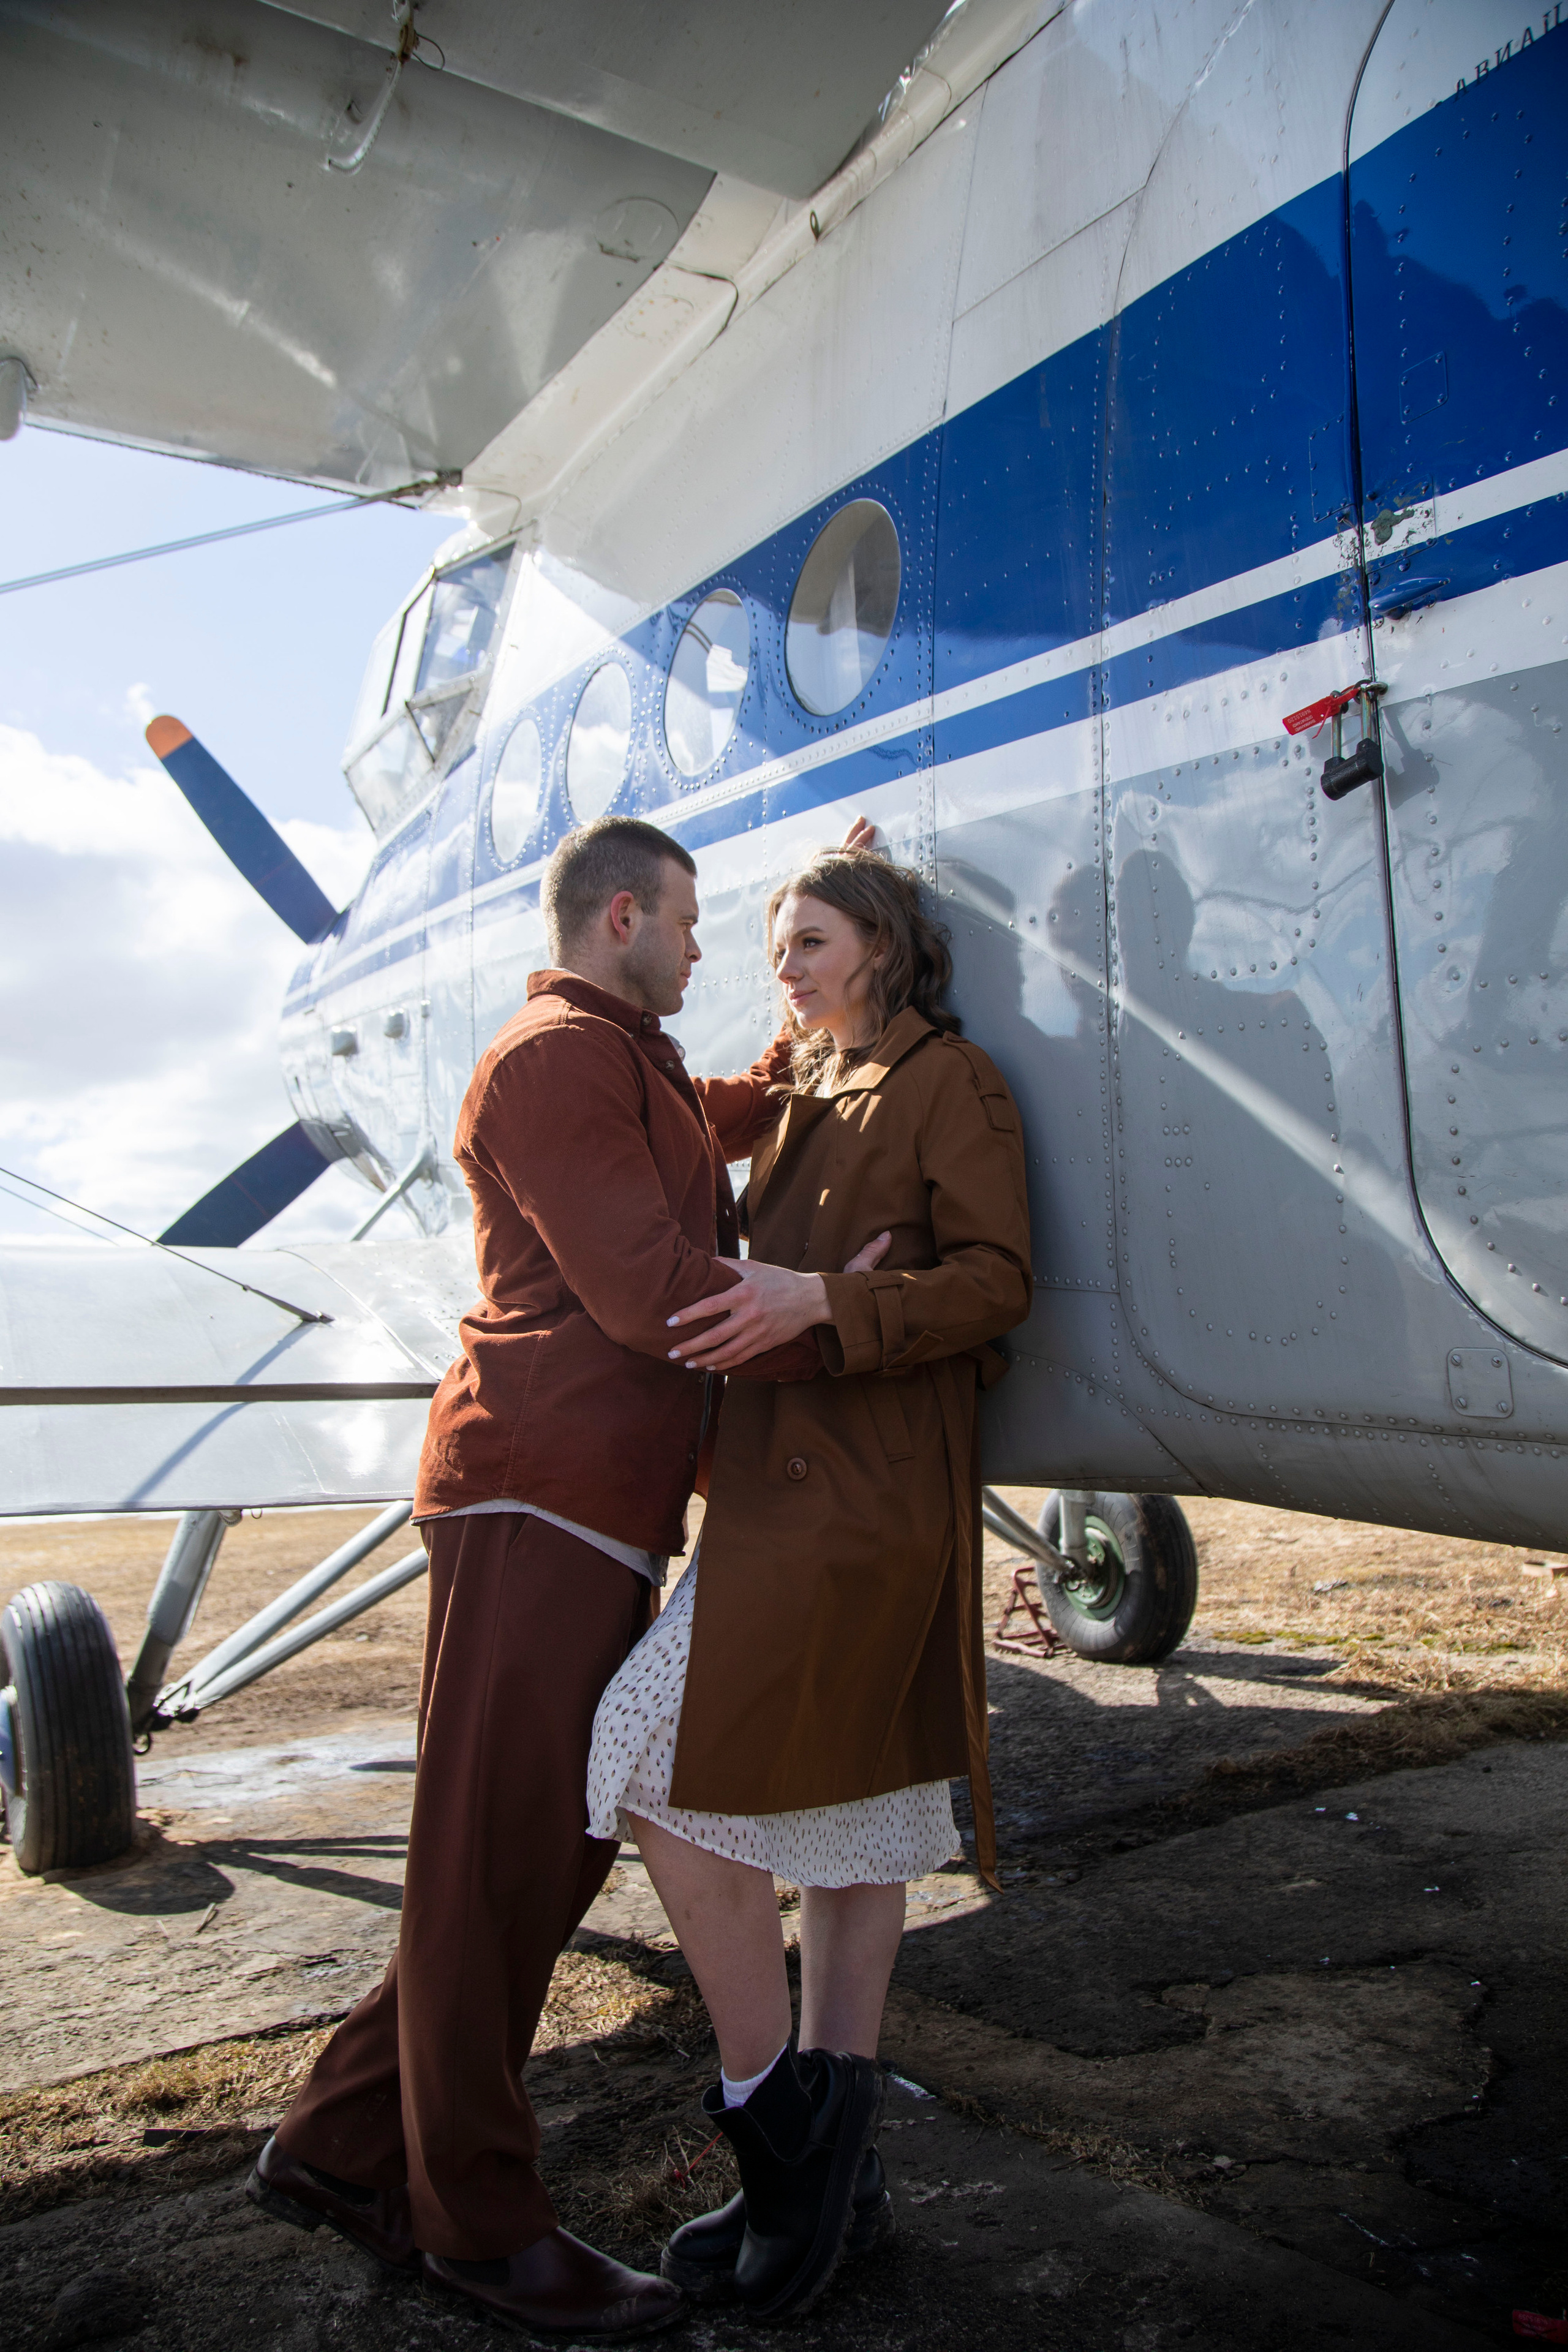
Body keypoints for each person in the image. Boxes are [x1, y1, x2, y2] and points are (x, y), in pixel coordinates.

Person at [245, 814, 883, 2340]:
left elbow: (722, 1108)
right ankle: (474, 2222)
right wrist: (835, 1311)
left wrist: (834, 997)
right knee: (491, 1865)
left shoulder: (630, 1063)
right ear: (620, 917)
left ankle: (339, 2145)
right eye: (689, 921)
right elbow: (648, 1292)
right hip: (533, 1500)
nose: (705, 946)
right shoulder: (550, 1061)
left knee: (535, 1851)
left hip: (596, 1507)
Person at [585, 842, 1033, 2323]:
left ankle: (773, 2113)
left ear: (884, 952)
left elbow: (994, 1283)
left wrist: (827, 1298)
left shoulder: (945, 1085)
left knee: (644, 1759)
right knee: (847, 1829)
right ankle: (830, 2175)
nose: (780, 963)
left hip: (863, 1500)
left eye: (812, 938)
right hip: (783, 1488)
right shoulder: (797, 1089)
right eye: (772, 942)